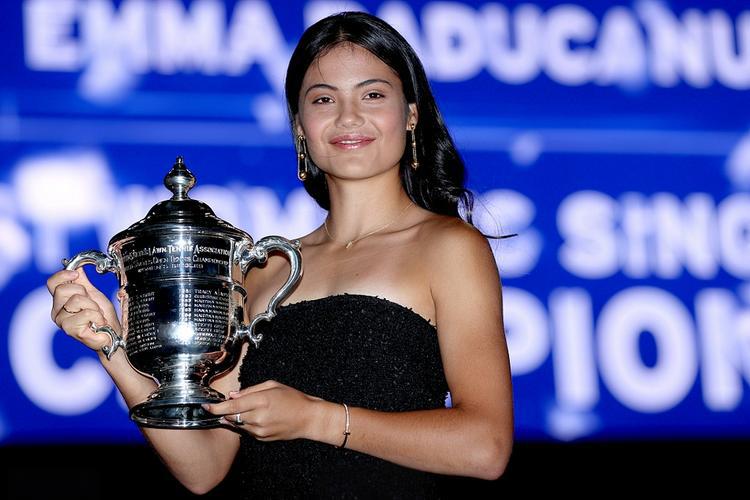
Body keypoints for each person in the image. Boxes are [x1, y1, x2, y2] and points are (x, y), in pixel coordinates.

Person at [47, 11, 513, 498]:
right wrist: (111, 346)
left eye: (373, 95)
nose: (348, 117)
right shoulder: (265, 269)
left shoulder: (448, 247)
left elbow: (486, 447)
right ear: (300, 125)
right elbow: (204, 467)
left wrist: (318, 419)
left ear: (411, 114)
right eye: (324, 99)